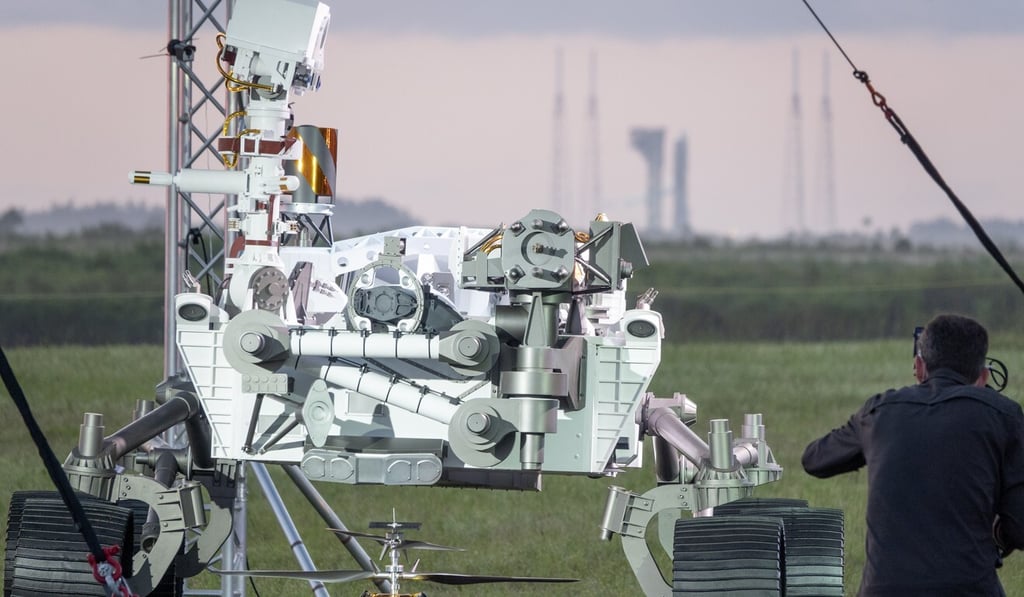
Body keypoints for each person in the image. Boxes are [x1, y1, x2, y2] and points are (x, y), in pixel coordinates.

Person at [802, 313, 1024, 596]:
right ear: (983, 377)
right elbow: (1019, 528)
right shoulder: (1004, 414)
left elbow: (814, 460)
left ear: (919, 366)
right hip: (969, 588)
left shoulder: (879, 411)